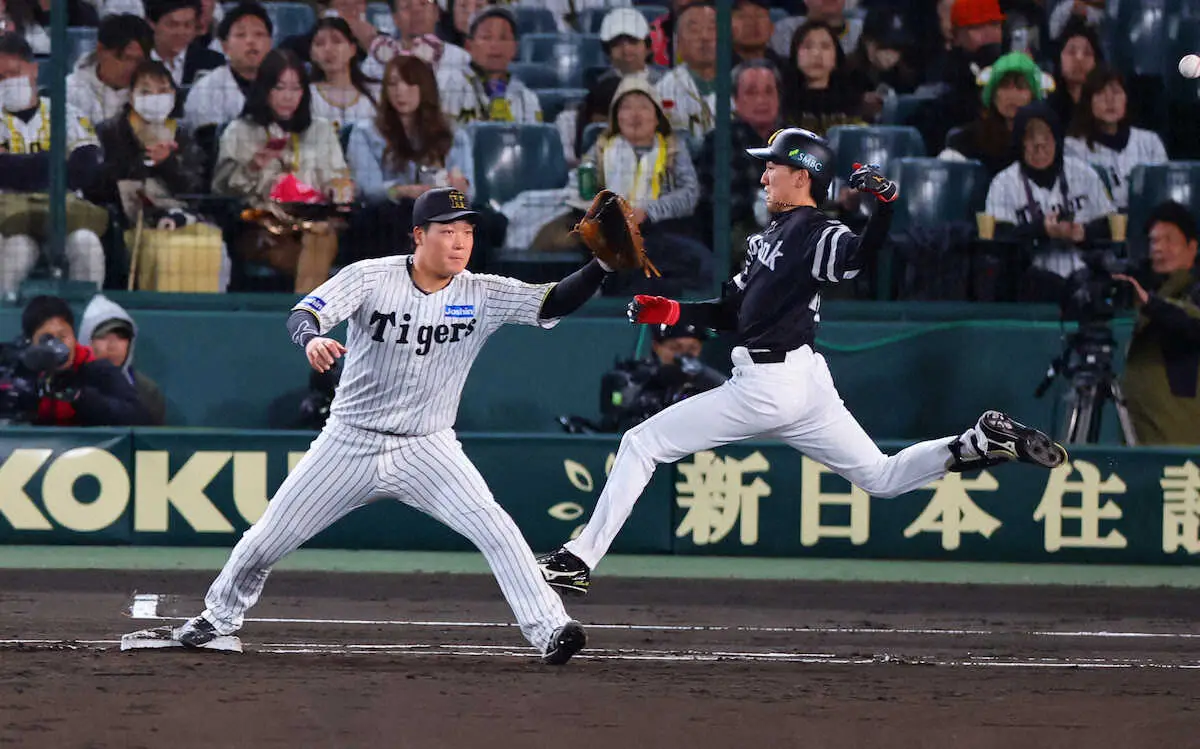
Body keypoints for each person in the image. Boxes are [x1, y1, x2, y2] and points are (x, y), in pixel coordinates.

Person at [536, 127, 1068, 595]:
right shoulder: (767, 236)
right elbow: (733, 310)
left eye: (774, 165)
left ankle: (577, 560)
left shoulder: (817, 232)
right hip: (804, 383)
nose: (765, 173)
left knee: (641, 442)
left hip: (768, 384)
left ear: (803, 176)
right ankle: (978, 442)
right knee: (881, 478)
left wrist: (884, 208)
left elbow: (857, 258)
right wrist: (674, 311)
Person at [163, 186, 622, 666]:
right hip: (351, 442)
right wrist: (311, 340)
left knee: (497, 529)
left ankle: (551, 629)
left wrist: (602, 268)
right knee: (266, 540)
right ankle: (218, 619)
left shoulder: (481, 291)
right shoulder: (371, 277)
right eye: (448, 231)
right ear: (419, 235)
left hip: (430, 447)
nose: (461, 241)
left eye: (467, 231)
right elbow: (305, 313)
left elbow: (550, 303)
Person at [213, 48, 352, 294]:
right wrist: (254, 166)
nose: (288, 96)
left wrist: (336, 188)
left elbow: (339, 177)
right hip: (261, 225)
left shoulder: (321, 130)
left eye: (296, 88)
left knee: (320, 235)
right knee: (311, 257)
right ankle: (311, 321)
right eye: (280, 88)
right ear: (264, 88)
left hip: (314, 222)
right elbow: (221, 187)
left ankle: (302, 321)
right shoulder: (240, 131)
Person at [579, 74, 710, 296]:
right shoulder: (600, 149)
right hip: (609, 234)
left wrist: (647, 212)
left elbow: (689, 194)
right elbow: (580, 189)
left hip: (660, 230)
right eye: (627, 107)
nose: (635, 115)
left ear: (657, 117)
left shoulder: (673, 149)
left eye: (643, 107)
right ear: (616, 117)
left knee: (700, 262)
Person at [0, 33, 106, 296]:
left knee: (87, 244)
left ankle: (86, 324)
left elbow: (84, 171)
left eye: (13, 73)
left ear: (34, 70)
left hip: (65, 216)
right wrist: (54, 162)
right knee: (17, 250)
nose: (6, 83)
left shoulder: (67, 113)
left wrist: (15, 167)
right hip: (8, 221)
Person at [984, 101, 1114, 302]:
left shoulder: (1083, 173)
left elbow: (1111, 225)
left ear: (1057, 139)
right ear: (1020, 142)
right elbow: (1000, 240)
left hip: (1085, 274)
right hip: (1030, 281)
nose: (1039, 147)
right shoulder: (1003, 183)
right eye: (1030, 139)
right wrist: (1042, 230)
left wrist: (1083, 232)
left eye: (1046, 138)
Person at [344, 55, 470, 259]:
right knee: (388, 217)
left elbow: (469, 191)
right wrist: (404, 191)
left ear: (425, 88)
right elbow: (367, 189)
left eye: (410, 83)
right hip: (390, 212)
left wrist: (459, 187)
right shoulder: (366, 132)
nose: (400, 92)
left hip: (442, 212)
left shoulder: (454, 134)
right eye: (393, 84)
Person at [1115, 201, 1200, 445]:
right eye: (1154, 241)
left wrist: (1150, 303)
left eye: (1169, 240)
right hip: (1144, 426)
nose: (1159, 248)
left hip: (1182, 432)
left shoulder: (1193, 290)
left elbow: (1191, 323)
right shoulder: (1151, 289)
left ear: (1192, 247)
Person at [696, 60, 781, 265]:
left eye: (769, 91)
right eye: (751, 93)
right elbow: (715, 205)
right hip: (736, 236)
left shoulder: (793, 140)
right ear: (736, 100)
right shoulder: (719, 141)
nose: (762, 100)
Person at [17, 295, 150, 426]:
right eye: (47, 339)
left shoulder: (97, 369)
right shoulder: (22, 372)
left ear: (74, 336)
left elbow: (139, 418)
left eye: (63, 336)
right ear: (31, 343)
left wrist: (81, 397)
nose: (57, 346)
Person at [1064, 66, 1167, 210]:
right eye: (1100, 93)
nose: (1109, 100)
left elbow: (1162, 192)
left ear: (1126, 99)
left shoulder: (1149, 142)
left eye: (1116, 92)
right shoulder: (1072, 148)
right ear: (1088, 102)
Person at [594, 321, 726, 433]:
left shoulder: (706, 384)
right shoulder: (636, 378)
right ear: (656, 347)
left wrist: (701, 373)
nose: (683, 356)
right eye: (675, 348)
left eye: (692, 349)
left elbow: (730, 395)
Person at [939, 51, 1045, 177]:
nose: (1012, 95)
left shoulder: (1046, 142)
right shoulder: (965, 140)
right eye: (1005, 86)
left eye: (1021, 86)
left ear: (1033, 96)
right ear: (993, 95)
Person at [437, 6, 541, 125]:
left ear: (514, 48)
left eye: (503, 38)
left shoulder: (527, 99)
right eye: (486, 37)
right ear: (469, 46)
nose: (495, 45)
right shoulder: (449, 86)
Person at [78, 292, 167, 425]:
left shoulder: (147, 391)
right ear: (87, 341)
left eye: (121, 337)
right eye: (103, 337)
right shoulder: (71, 386)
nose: (112, 346)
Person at [182, 1, 273, 130]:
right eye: (241, 35)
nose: (251, 41)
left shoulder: (285, 82)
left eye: (259, 34)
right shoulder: (208, 88)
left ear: (270, 43)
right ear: (225, 46)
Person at [66, 13, 153, 126]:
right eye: (125, 58)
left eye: (138, 61)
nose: (131, 67)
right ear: (100, 50)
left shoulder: (154, 91)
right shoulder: (69, 92)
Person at [782, 20, 865, 137]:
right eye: (807, 46)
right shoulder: (782, 102)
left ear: (836, 56)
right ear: (795, 54)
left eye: (825, 47)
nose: (816, 54)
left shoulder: (853, 101)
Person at [654, 1, 718, 140]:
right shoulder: (662, 90)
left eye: (712, 28)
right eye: (694, 30)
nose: (705, 37)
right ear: (678, 43)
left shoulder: (742, 84)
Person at [361, 0, 470, 79]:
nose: (416, 11)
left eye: (423, 3)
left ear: (436, 13)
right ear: (395, 18)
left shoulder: (459, 58)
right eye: (406, 6)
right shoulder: (378, 60)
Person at [308, 17, 378, 131]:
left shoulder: (373, 94)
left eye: (336, 41)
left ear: (352, 49)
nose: (328, 49)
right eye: (320, 43)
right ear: (312, 54)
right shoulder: (307, 95)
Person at [145, 0, 224, 88]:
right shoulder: (137, 59)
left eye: (188, 25)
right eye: (173, 25)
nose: (181, 32)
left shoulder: (213, 62)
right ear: (151, 24)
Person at [1045, 20, 1101, 133]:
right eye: (1071, 52)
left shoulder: (1103, 107)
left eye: (1087, 53)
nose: (1079, 59)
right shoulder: (1047, 109)